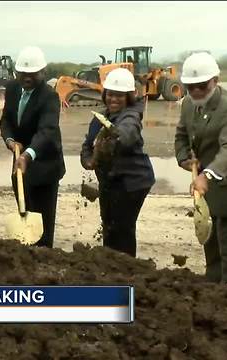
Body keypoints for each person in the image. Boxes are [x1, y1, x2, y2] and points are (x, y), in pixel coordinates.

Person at [174, 52, 227, 287]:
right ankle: (212, 292)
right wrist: (184, 160)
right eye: (191, 87)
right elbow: (181, 135)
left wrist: (207, 175)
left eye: (202, 86)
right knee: (212, 247)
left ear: (216, 81)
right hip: (208, 191)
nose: (197, 91)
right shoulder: (189, 104)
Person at [80, 68, 155, 257]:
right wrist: (89, 160)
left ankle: (126, 270)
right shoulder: (100, 118)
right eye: (111, 95)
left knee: (122, 229)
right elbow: (87, 144)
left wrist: (115, 138)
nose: (114, 99)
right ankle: (110, 265)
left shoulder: (130, 116)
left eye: (120, 96)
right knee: (109, 226)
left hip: (132, 182)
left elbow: (127, 133)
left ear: (129, 97)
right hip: (111, 181)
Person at [0, 46, 65, 248]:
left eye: (33, 74)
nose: (27, 78)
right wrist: (10, 140)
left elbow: (46, 131)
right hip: (20, 166)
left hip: (44, 165)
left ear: (43, 73)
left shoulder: (49, 97)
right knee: (24, 210)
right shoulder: (12, 89)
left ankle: (44, 258)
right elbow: (6, 120)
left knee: (43, 222)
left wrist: (27, 155)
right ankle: (26, 257)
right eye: (23, 73)